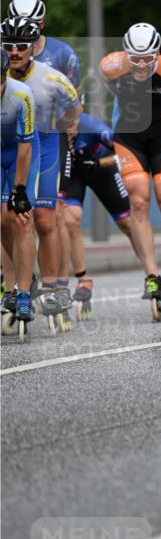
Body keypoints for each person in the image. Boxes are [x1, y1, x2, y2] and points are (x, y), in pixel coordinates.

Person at [99, 23, 161, 312]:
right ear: (126, 53)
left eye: (147, 59)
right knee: (138, 202)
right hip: (129, 135)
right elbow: (107, 83)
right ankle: (152, 276)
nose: (141, 65)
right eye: (135, 58)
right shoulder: (111, 66)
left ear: (157, 53)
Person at [1, 17, 81, 333]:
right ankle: (19, 282)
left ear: (34, 46)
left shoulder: (52, 79)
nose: (15, 51)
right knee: (5, 218)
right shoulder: (2, 73)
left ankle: (51, 288)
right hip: (8, 145)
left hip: (43, 145)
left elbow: (74, 110)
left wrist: (63, 127)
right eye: (9, 45)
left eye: (22, 45)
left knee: (44, 219)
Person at [59, 112, 138, 318]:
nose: (67, 130)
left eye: (70, 125)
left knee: (127, 223)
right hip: (74, 173)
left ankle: (152, 275)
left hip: (101, 168)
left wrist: (98, 164)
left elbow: (125, 151)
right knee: (70, 219)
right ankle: (83, 279)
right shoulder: (51, 129)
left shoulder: (92, 128)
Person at [0, 47, 39, 340]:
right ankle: (12, 284)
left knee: (21, 217)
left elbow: (25, 147)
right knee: (2, 220)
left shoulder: (21, 94)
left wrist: (19, 190)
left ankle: (24, 293)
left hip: (20, 154)